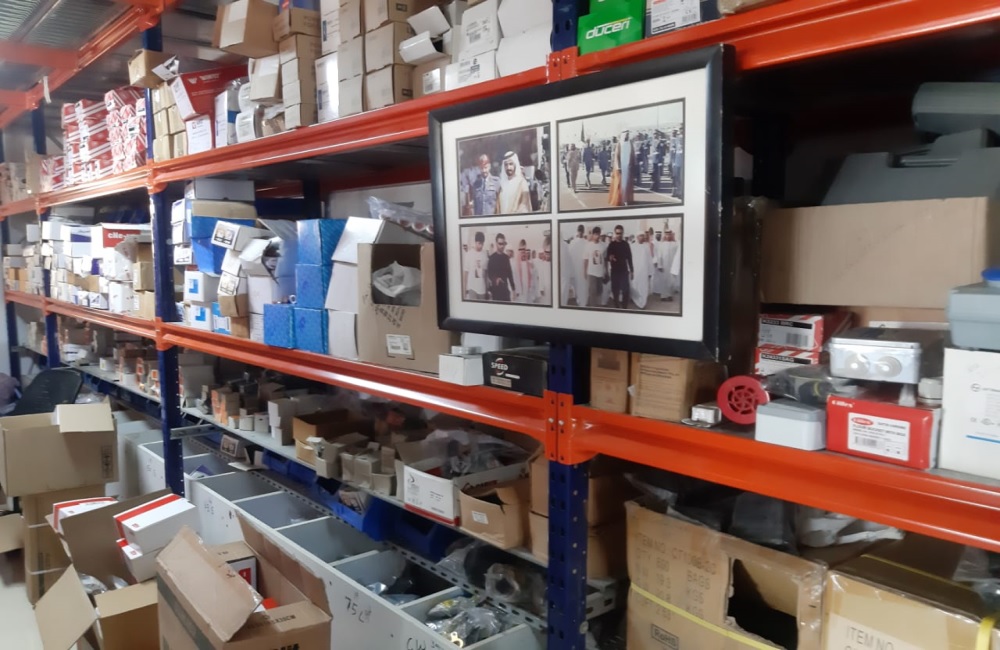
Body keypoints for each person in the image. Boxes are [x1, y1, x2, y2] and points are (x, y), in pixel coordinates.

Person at [606, 225, 633, 309]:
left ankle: (624, 307)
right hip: (615, 271)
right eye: (617, 233)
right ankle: (617, 307)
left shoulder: (626, 244)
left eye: (620, 233)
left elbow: (629, 258)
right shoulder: (611, 244)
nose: (619, 235)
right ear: (615, 233)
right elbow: (607, 257)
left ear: (623, 233)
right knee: (615, 291)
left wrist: (632, 270)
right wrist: (610, 258)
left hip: (624, 271)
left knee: (626, 290)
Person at [609, 131, 636, 207]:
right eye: (626, 135)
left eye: (628, 135)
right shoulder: (619, 144)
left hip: (628, 167)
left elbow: (632, 154)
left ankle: (626, 199)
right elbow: (616, 156)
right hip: (621, 167)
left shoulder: (630, 143)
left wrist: (633, 164)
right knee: (620, 184)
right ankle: (621, 199)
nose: (627, 136)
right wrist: (618, 167)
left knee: (627, 183)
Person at [486, 233, 516, 301]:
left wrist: (513, 289)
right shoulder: (492, 258)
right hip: (495, 293)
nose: (502, 246)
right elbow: (489, 274)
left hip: (505, 292)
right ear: (496, 243)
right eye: (500, 244)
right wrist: (495, 279)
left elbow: (510, 274)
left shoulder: (506, 258)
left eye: (503, 244)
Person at [583, 226, 606, 308]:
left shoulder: (603, 246)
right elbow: (586, 259)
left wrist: (606, 271)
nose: (597, 236)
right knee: (592, 291)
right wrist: (585, 271)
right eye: (595, 234)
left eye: (598, 234)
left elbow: (605, 259)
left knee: (599, 291)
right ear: (592, 235)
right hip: (591, 272)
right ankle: (593, 307)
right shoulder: (588, 246)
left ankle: (597, 305)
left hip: (600, 272)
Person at [630, 232, 653, 309]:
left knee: (643, 286)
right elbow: (629, 259)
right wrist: (630, 270)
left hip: (644, 271)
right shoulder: (632, 246)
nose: (643, 237)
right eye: (641, 236)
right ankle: (635, 299)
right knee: (634, 285)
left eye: (643, 236)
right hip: (635, 270)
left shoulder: (646, 246)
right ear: (637, 237)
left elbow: (649, 259)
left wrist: (650, 271)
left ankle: (642, 303)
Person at [463, 231, 489, 300]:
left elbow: (486, 273)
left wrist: (487, 289)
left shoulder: (485, 254)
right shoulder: (469, 254)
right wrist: (464, 289)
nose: (481, 246)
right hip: (472, 287)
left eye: (482, 244)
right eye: (479, 243)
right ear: (475, 242)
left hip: (482, 288)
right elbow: (465, 273)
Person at [656, 229, 680, 300]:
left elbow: (678, 254)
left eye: (669, 234)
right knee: (664, 281)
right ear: (665, 235)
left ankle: (669, 295)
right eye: (667, 234)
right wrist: (660, 265)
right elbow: (659, 256)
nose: (668, 236)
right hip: (664, 265)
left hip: (672, 265)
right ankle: (663, 296)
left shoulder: (675, 244)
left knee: (672, 281)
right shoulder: (662, 244)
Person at [568, 224, 588, 306]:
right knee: (577, 287)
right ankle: (579, 301)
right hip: (575, 269)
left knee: (583, 287)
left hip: (583, 269)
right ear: (578, 231)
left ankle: (583, 303)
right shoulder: (573, 242)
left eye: (581, 230)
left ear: (583, 231)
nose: (580, 232)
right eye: (579, 230)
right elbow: (569, 256)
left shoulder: (586, 243)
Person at [537, 237, 552, 305]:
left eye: (549, 253)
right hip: (545, 289)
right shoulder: (542, 264)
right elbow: (541, 277)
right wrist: (541, 288)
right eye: (546, 253)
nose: (548, 255)